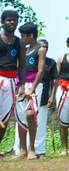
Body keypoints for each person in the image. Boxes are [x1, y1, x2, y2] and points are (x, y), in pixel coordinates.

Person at [14, 23, 46, 159]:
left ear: (30, 35)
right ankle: (22, 150)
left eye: (23, 36)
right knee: (20, 116)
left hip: (34, 85)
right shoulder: (23, 50)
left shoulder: (41, 49)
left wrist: (32, 88)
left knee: (30, 114)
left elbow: (41, 70)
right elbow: (18, 68)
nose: (21, 38)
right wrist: (19, 86)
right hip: (21, 84)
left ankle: (32, 149)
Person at [0, 10, 24, 154]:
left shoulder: (19, 42)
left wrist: (21, 85)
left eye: (14, 20)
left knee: (5, 118)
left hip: (11, 82)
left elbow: (22, 65)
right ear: (2, 22)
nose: (12, 22)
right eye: (9, 20)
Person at [36, 39, 57, 157]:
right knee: (23, 122)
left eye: (46, 46)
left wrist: (52, 96)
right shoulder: (30, 58)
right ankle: (20, 149)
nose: (44, 48)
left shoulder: (51, 62)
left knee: (41, 124)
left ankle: (39, 150)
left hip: (43, 96)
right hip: (29, 95)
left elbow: (55, 81)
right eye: (41, 46)